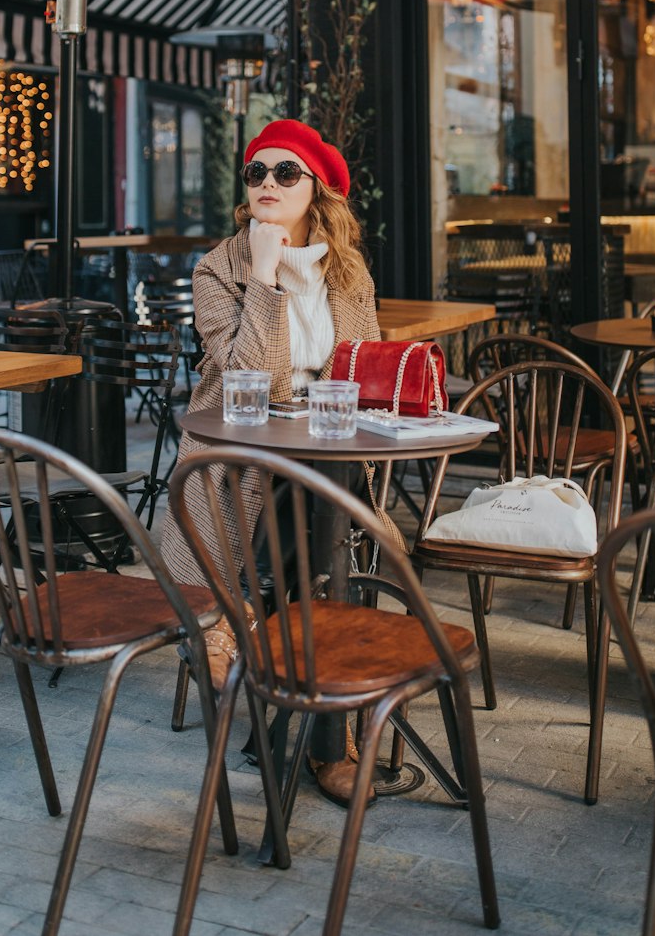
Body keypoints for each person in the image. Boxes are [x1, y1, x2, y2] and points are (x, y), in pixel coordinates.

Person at [160, 118, 380, 803]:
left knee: (325, 489)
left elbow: (364, 371)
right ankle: (331, 742)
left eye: (286, 173)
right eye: (256, 172)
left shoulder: (347, 273)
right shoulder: (217, 269)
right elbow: (256, 378)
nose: (267, 184)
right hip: (237, 464)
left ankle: (242, 617)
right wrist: (264, 275)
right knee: (322, 506)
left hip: (328, 458)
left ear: (317, 190)